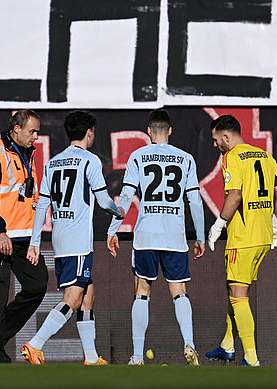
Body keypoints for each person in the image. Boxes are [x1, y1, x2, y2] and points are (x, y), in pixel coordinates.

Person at [21, 111, 124, 366]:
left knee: (88, 293)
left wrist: (35, 242)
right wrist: (118, 211)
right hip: (78, 242)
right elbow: (102, 201)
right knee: (73, 299)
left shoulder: (53, 162)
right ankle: (35, 344)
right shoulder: (90, 161)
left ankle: (90, 357)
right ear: (89, 132)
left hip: (60, 240)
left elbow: (42, 205)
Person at [106, 109, 206, 366]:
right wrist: (201, 237)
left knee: (142, 291)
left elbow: (126, 196)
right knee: (179, 291)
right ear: (170, 131)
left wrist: (112, 229)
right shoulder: (186, 159)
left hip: (146, 235)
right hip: (174, 236)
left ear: (149, 131)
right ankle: (190, 344)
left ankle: (138, 357)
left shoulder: (138, 156)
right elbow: (194, 200)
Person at [0, 109, 49, 363]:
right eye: (33, 131)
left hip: (24, 238)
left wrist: (34, 238)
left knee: (38, 285)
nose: (36, 137)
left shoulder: (28, 155)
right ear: (16, 129)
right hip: (0, 239)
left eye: (37, 132)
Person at [205, 114, 277, 367]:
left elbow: (234, 196)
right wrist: (275, 221)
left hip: (242, 238)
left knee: (238, 295)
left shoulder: (232, 157)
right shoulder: (266, 157)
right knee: (234, 290)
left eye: (216, 140)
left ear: (226, 136)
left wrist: (218, 225)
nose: (215, 145)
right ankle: (227, 344)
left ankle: (252, 359)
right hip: (264, 236)